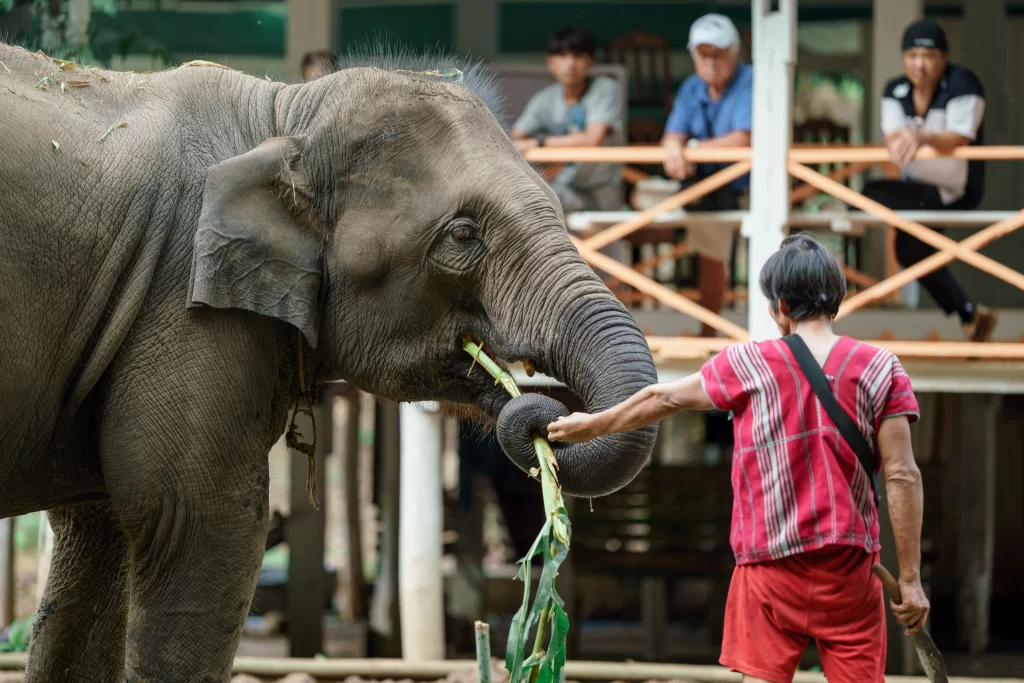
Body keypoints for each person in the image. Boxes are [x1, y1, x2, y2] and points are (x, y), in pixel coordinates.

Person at [547, 234, 930, 683]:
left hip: (768, 571)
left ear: (780, 307)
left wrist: (591, 425)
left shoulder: (749, 363)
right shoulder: (882, 369)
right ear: (837, 302)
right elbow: (902, 475)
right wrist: (910, 580)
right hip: (850, 573)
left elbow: (662, 398)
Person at [865, 18, 996, 341]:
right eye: (912, 56)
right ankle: (970, 315)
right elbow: (895, 138)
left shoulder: (964, 83)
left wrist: (920, 136)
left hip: (957, 191)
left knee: (900, 236)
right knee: (907, 248)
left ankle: (969, 314)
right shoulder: (895, 90)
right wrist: (906, 140)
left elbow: (961, 136)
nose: (919, 64)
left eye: (929, 56)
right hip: (917, 191)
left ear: (944, 58)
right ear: (903, 58)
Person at [661, 13, 753, 337]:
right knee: (640, 201)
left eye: (718, 53)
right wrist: (674, 149)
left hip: (746, 189)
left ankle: (710, 331)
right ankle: (706, 329)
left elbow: (745, 138)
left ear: (735, 53)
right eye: (703, 54)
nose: (710, 61)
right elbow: (673, 134)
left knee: (711, 233)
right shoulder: (691, 87)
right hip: (699, 189)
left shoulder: (753, 81)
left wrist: (693, 148)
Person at [510, 26, 626, 213]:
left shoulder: (606, 88)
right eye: (562, 56)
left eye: (578, 56)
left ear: (591, 61)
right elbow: (512, 138)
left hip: (602, 194)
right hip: (563, 189)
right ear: (550, 62)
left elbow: (591, 140)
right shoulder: (545, 99)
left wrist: (539, 141)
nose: (570, 64)